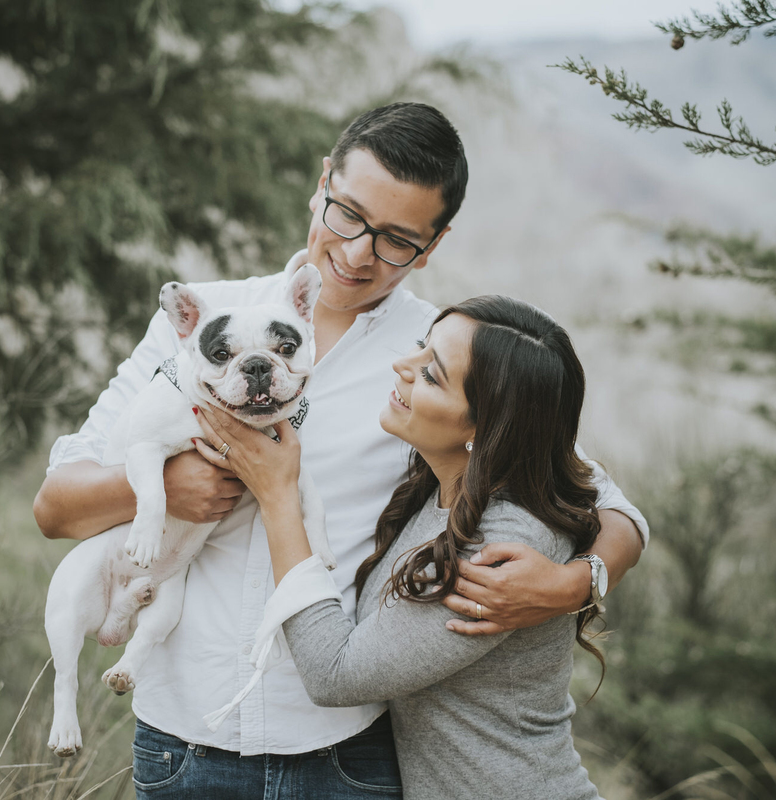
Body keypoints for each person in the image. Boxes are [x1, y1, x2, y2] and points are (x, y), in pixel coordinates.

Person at [33, 102, 649, 798]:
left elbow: (606, 502)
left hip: (347, 754)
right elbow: (56, 506)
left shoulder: (434, 359)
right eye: (347, 214)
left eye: (396, 240)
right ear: (322, 181)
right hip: (181, 741)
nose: (358, 254)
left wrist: (579, 581)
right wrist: (163, 487)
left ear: (435, 243)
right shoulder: (202, 322)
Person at [193, 295, 606, 800]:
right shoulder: (443, 493)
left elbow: (334, 676)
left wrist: (278, 494)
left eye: (430, 375)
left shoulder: (502, 545)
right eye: (418, 347)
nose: (401, 367)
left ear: (485, 426)